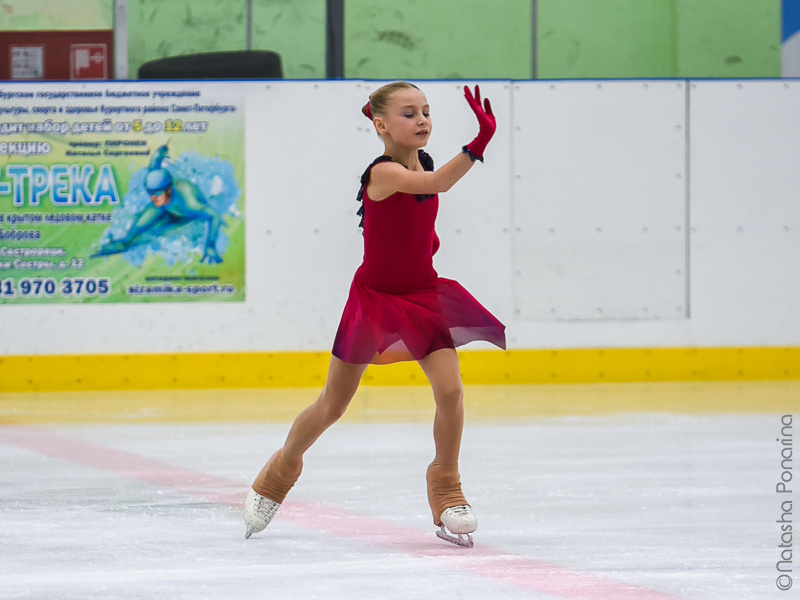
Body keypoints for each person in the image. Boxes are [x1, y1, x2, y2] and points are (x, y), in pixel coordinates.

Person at [244, 82, 506, 548]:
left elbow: (420, 213)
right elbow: (435, 185)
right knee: (333, 404)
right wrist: (477, 144)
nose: (423, 120)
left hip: (422, 294)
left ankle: (445, 485)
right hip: (374, 299)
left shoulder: (423, 160)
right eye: (409, 114)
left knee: (450, 390)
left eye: (426, 111)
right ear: (381, 124)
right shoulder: (382, 174)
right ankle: (281, 469)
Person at [92, 145, 223, 264]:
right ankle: (125, 244)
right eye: (151, 194)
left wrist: (210, 245)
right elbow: (155, 163)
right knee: (138, 225)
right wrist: (160, 152)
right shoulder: (156, 186)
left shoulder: (189, 203)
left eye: (158, 194)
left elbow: (214, 215)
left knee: (157, 231)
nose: (154, 198)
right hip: (164, 208)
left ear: (169, 190)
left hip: (183, 215)